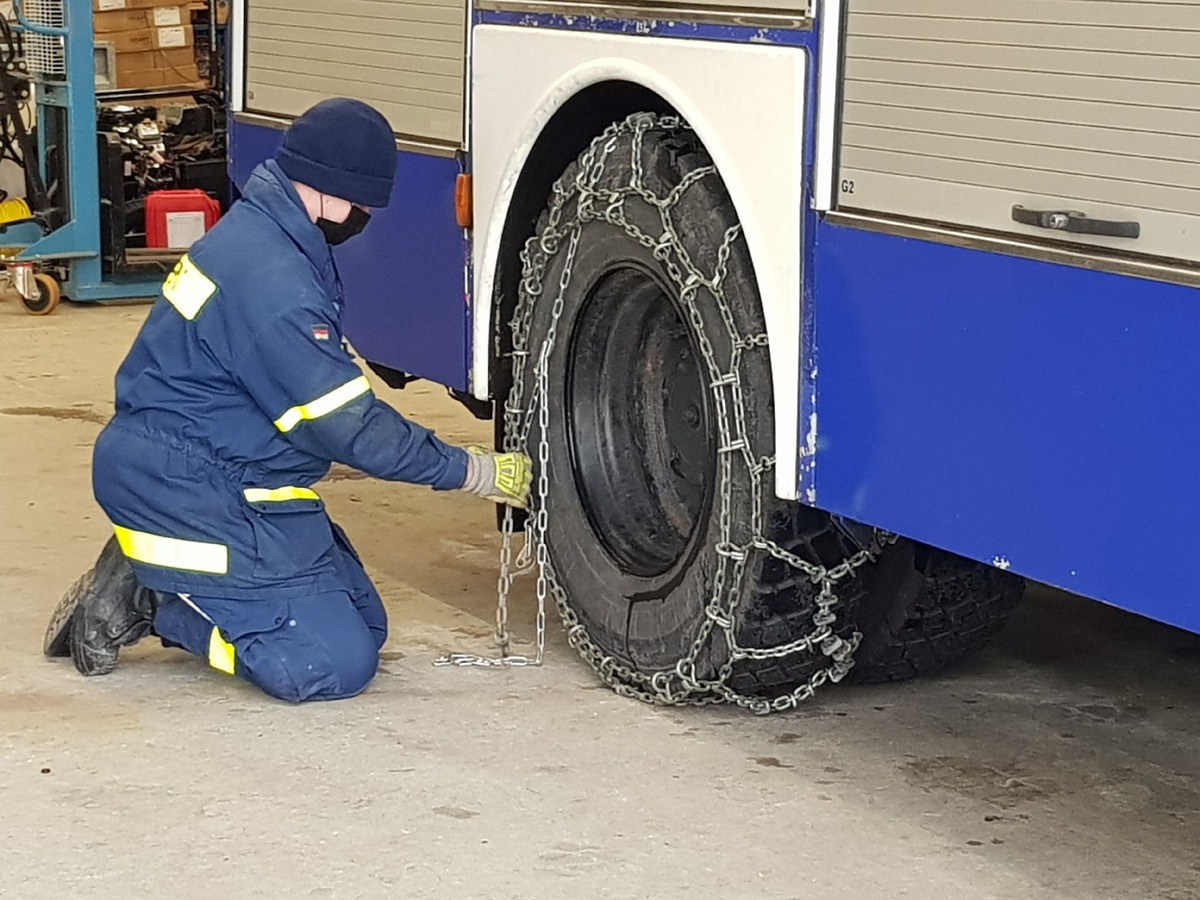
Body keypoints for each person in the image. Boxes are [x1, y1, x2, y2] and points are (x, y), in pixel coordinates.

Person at [42, 98, 531, 702]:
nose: (363, 218)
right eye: (362, 203)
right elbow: (348, 427)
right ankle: (156, 598)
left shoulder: (269, 233)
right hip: (191, 483)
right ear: (326, 188)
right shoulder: (274, 280)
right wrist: (475, 471)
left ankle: (170, 572)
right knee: (329, 664)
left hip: (228, 469)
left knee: (366, 627)